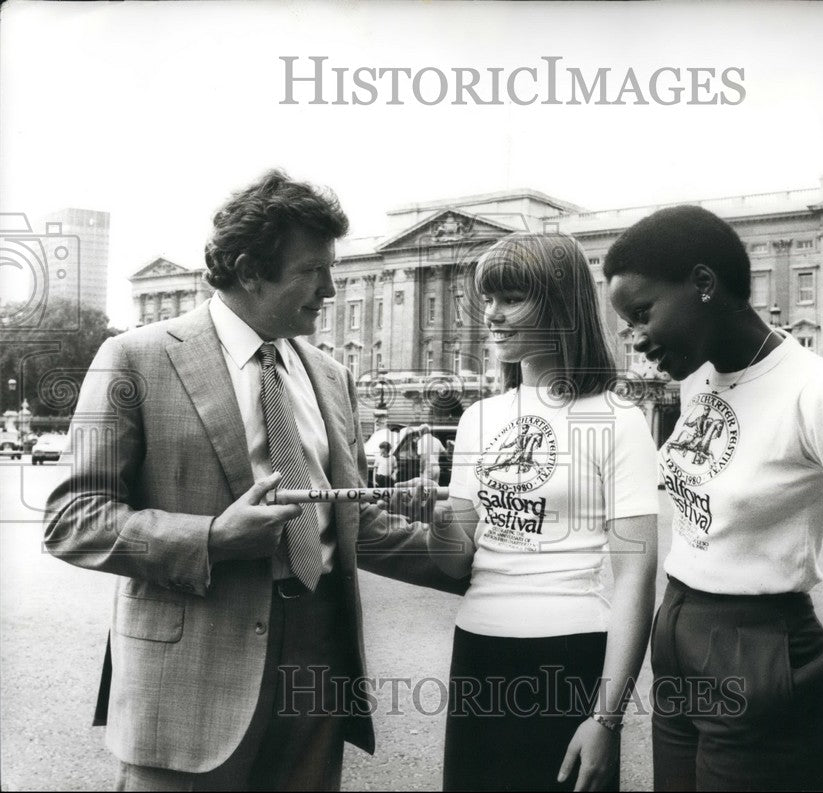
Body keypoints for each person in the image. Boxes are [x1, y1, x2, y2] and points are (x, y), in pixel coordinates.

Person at [43, 170, 466, 792]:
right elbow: (71, 518)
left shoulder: (328, 374)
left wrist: (476, 560)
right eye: (312, 271)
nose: (330, 287)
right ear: (248, 270)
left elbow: (348, 522)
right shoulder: (136, 357)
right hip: (191, 674)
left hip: (319, 656)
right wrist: (212, 537)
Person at [603, 205, 823, 791]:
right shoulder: (700, 378)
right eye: (627, 323)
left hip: (760, 651)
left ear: (703, 284)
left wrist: (806, 686)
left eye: (642, 314)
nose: (636, 338)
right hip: (675, 644)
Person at [416, 233, 659, 791]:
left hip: (568, 654)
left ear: (560, 303)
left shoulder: (618, 420)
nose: (492, 315)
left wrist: (607, 716)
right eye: (489, 299)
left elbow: (634, 581)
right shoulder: (479, 418)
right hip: (477, 650)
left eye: (511, 299)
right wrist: (435, 518)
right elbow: (455, 563)